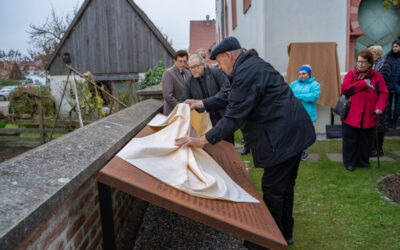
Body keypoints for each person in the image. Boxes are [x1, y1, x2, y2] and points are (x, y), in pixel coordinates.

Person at [175, 36, 316, 248]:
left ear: (228, 56)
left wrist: (201, 140)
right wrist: (201, 103)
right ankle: (284, 234)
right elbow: (231, 96)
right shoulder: (250, 66)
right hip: (295, 133)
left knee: (273, 191)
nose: (220, 68)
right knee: (285, 188)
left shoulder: (247, 73)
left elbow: (233, 117)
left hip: (281, 138)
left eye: (220, 63)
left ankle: (264, 241)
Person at [341, 49, 388, 172]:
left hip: (369, 115)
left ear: (370, 63)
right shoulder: (351, 75)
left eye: (363, 62)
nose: (360, 64)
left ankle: (363, 161)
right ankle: (349, 162)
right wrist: (362, 84)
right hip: (352, 115)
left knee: (366, 141)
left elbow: (383, 94)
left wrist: (379, 107)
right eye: (358, 61)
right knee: (350, 140)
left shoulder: (377, 77)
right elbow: (345, 90)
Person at [181, 54, 234, 144]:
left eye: (196, 66)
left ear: (203, 64)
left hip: (221, 115)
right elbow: (184, 99)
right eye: (190, 68)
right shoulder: (189, 82)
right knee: (210, 148)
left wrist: (207, 102)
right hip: (204, 120)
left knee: (227, 145)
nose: (193, 70)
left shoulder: (216, 73)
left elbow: (226, 91)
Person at [289, 65, 320, 161]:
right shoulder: (293, 84)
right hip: (294, 112)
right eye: (299, 74)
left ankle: (304, 152)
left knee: (305, 134)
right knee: (295, 133)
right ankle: (295, 151)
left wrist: (297, 96)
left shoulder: (315, 85)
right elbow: (288, 95)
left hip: (307, 113)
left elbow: (313, 97)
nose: (301, 76)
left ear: (309, 74)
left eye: (303, 73)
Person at [367, 45, 391, 157]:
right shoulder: (372, 65)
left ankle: (378, 149)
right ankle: (371, 147)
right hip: (371, 98)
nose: (370, 56)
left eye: (372, 54)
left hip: (381, 98)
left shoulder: (385, 65)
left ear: (378, 54)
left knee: (379, 125)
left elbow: (384, 79)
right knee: (372, 124)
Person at [240, 48, 259, 155]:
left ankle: (255, 148)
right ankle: (247, 147)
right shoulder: (243, 70)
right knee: (245, 127)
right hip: (246, 103)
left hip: (255, 104)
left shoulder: (259, 69)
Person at [162, 50, 190, 115]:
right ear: (174, 61)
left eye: (185, 61)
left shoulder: (188, 73)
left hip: (187, 111)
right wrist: (181, 107)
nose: (182, 64)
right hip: (173, 112)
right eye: (180, 61)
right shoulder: (168, 73)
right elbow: (168, 96)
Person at [382, 40, 400, 129]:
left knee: (397, 105)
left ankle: (394, 121)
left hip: (398, 85)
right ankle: (388, 121)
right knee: (388, 105)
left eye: (397, 46)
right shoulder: (388, 57)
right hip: (388, 85)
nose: (395, 48)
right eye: (394, 47)